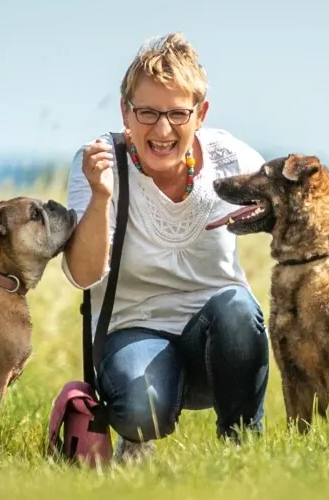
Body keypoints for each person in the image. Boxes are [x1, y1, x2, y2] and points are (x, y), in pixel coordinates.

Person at [62, 32, 270, 462]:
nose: (161, 129)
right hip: (134, 332)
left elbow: (299, 207)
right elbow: (83, 275)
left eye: (177, 113)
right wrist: (102, 197)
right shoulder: (100, 163)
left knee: (237, 306)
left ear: (201, 113)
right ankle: (138, 439)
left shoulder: (230, 158)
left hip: (218, 344)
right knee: (141, 412)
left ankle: (242, 451)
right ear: (125, 110)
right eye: (147, 112)